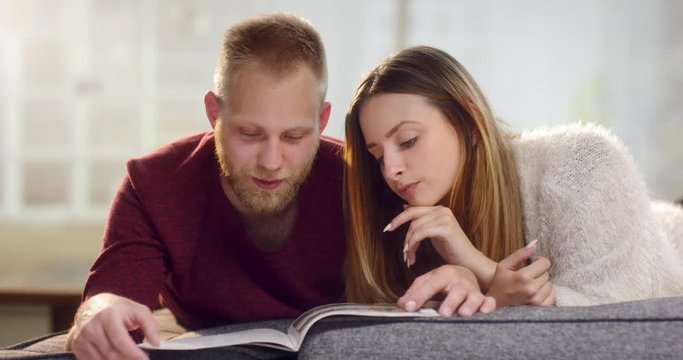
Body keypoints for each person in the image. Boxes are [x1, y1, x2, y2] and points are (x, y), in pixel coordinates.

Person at [66, 13, 345, 359]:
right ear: (214, 113)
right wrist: (97, 310)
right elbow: (114, 295)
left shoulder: (361, 179)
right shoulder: (154, 184)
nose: (271, 161)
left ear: (321, 121)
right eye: (250, 133)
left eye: (294, 136)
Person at [343, 45, 683, 316]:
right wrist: (491, 298)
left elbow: (620, 315)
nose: (390, 170)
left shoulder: (583, 163)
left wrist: (481, 272)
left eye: (408, 141)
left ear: (470, 123)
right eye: (377, 156)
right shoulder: (401, 220)